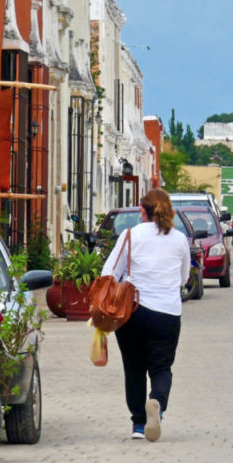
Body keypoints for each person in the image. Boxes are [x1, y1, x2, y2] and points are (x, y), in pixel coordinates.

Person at [101, 188, 189, 442]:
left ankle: (139, 424)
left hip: (133, 312)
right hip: (167, 313)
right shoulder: (179, 239)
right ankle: (157, 402)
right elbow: (183, 278)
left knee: (134, 368)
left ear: (142, 211)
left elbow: (109, 273)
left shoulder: (131, 235)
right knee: (162, 368)